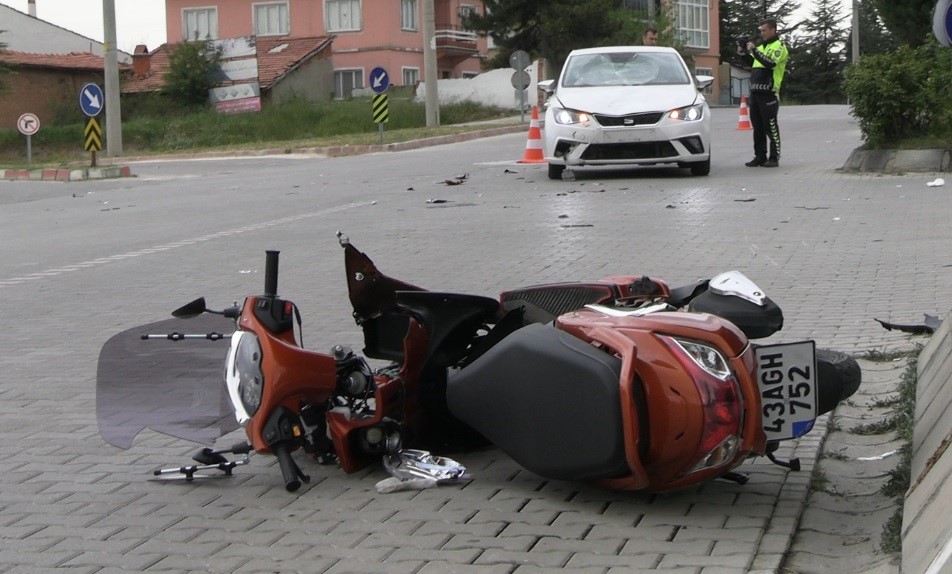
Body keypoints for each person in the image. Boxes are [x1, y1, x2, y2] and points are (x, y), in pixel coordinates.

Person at [742, 19, 788, 168]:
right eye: (761, 30)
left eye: (764, 30)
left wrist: (754, 51)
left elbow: (770, 63)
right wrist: (742, 51)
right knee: (758, 128)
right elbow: (754, 63)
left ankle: (774, 157)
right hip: (755, 92)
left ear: (773, 30)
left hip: (769, 93)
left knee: (771, 126)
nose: (762, 33)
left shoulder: (779, 47)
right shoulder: (761, 47)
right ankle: (760, 156)